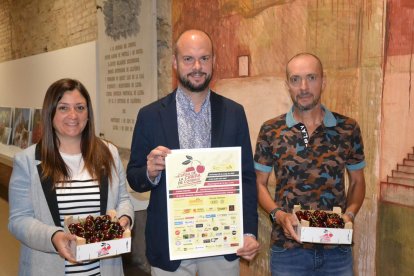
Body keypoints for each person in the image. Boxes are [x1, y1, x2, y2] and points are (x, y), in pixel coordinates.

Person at [126, 29, 260, 275]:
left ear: (213, 62)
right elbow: (134, 176)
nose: (197, 66)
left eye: (204, 58)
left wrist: (249, 231)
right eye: (188, 59)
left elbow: (247, 177)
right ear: (175, 63)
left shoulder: (234, 113)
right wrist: (150, 171)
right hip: (170, 244)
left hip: (221, 242)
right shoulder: (150, 115)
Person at [254, 53, 366, 276]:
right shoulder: (271, 130)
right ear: (288, 85)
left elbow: (358, 182)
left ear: (324, 82)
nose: (303, 87)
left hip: (337, 251)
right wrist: (278, 215)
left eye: (311, 78)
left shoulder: (348, 128)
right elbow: (259, 184)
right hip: (288, 252)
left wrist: (350, 215)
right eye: (295, 79)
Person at [8, 78, 134, 275]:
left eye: (80, 107)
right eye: (63, 108)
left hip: (103, 268)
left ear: (88, 113)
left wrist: (125, 217)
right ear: (50, 113)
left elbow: (123, 199)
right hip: (49, 267)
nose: (73, 115)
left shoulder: (109, 153)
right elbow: (19, 220)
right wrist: (54, 236)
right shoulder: (27, 161)